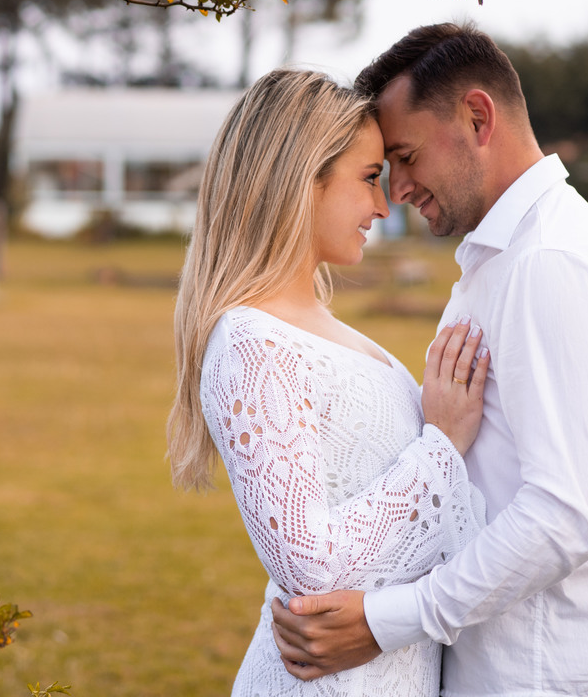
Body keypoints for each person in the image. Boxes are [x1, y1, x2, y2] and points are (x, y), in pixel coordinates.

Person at [270, 23, 588, 696]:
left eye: (406, 156)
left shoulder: (551, 262)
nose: (396, 189)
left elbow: (565, 514)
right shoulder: (505, 255)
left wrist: (389, 619)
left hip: (544, 672)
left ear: (477, 117)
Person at [167, 68, 491, 695]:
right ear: (301, 181)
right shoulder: (249, 342)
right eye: (370, 177)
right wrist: (442, 448)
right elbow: (308, 568)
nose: (384, 202)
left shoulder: (315, 326)